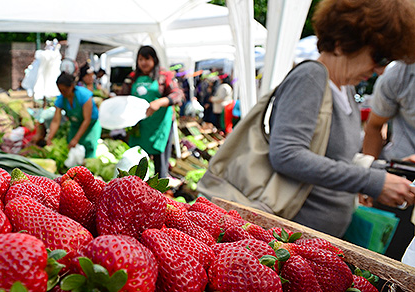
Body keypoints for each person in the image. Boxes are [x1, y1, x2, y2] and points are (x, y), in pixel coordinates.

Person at [202, 0, 415, 238]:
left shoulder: (343, 89)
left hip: (314, 240)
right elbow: (287, 154)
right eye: (379, 56)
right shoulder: (311, 78)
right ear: (343, 42)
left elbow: (335, 158)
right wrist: (371, 181)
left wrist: (388, 169)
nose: (380, 70)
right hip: (287, 238)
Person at [362, 61, 415, 260]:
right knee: (386, 258)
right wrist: (367, 178)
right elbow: (374, 127)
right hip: (404, 181)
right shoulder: (398, 74)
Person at [119, 45, 184, 178]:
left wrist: (160, 102)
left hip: (159, 125)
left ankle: (159, 192)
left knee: (160, 163)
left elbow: (178, 94)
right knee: (137, 161)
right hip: (140, 126)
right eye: (140, 59)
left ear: (154, 60)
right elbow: (122, 96)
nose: (143, 63)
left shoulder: (164, 76)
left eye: (147, 59)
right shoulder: (132, 77)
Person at [46, 72, 102, 158]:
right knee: (72, 153)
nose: (62, 93)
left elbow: (87, 120)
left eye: (64, 90)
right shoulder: (61, 99)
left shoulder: (84, 95)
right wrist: (50, 137)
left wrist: (76, 139)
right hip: (75, 127)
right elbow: (56, 121)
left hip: (90, 126)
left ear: (71, 86)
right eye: (60, 90)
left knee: (88, 152)